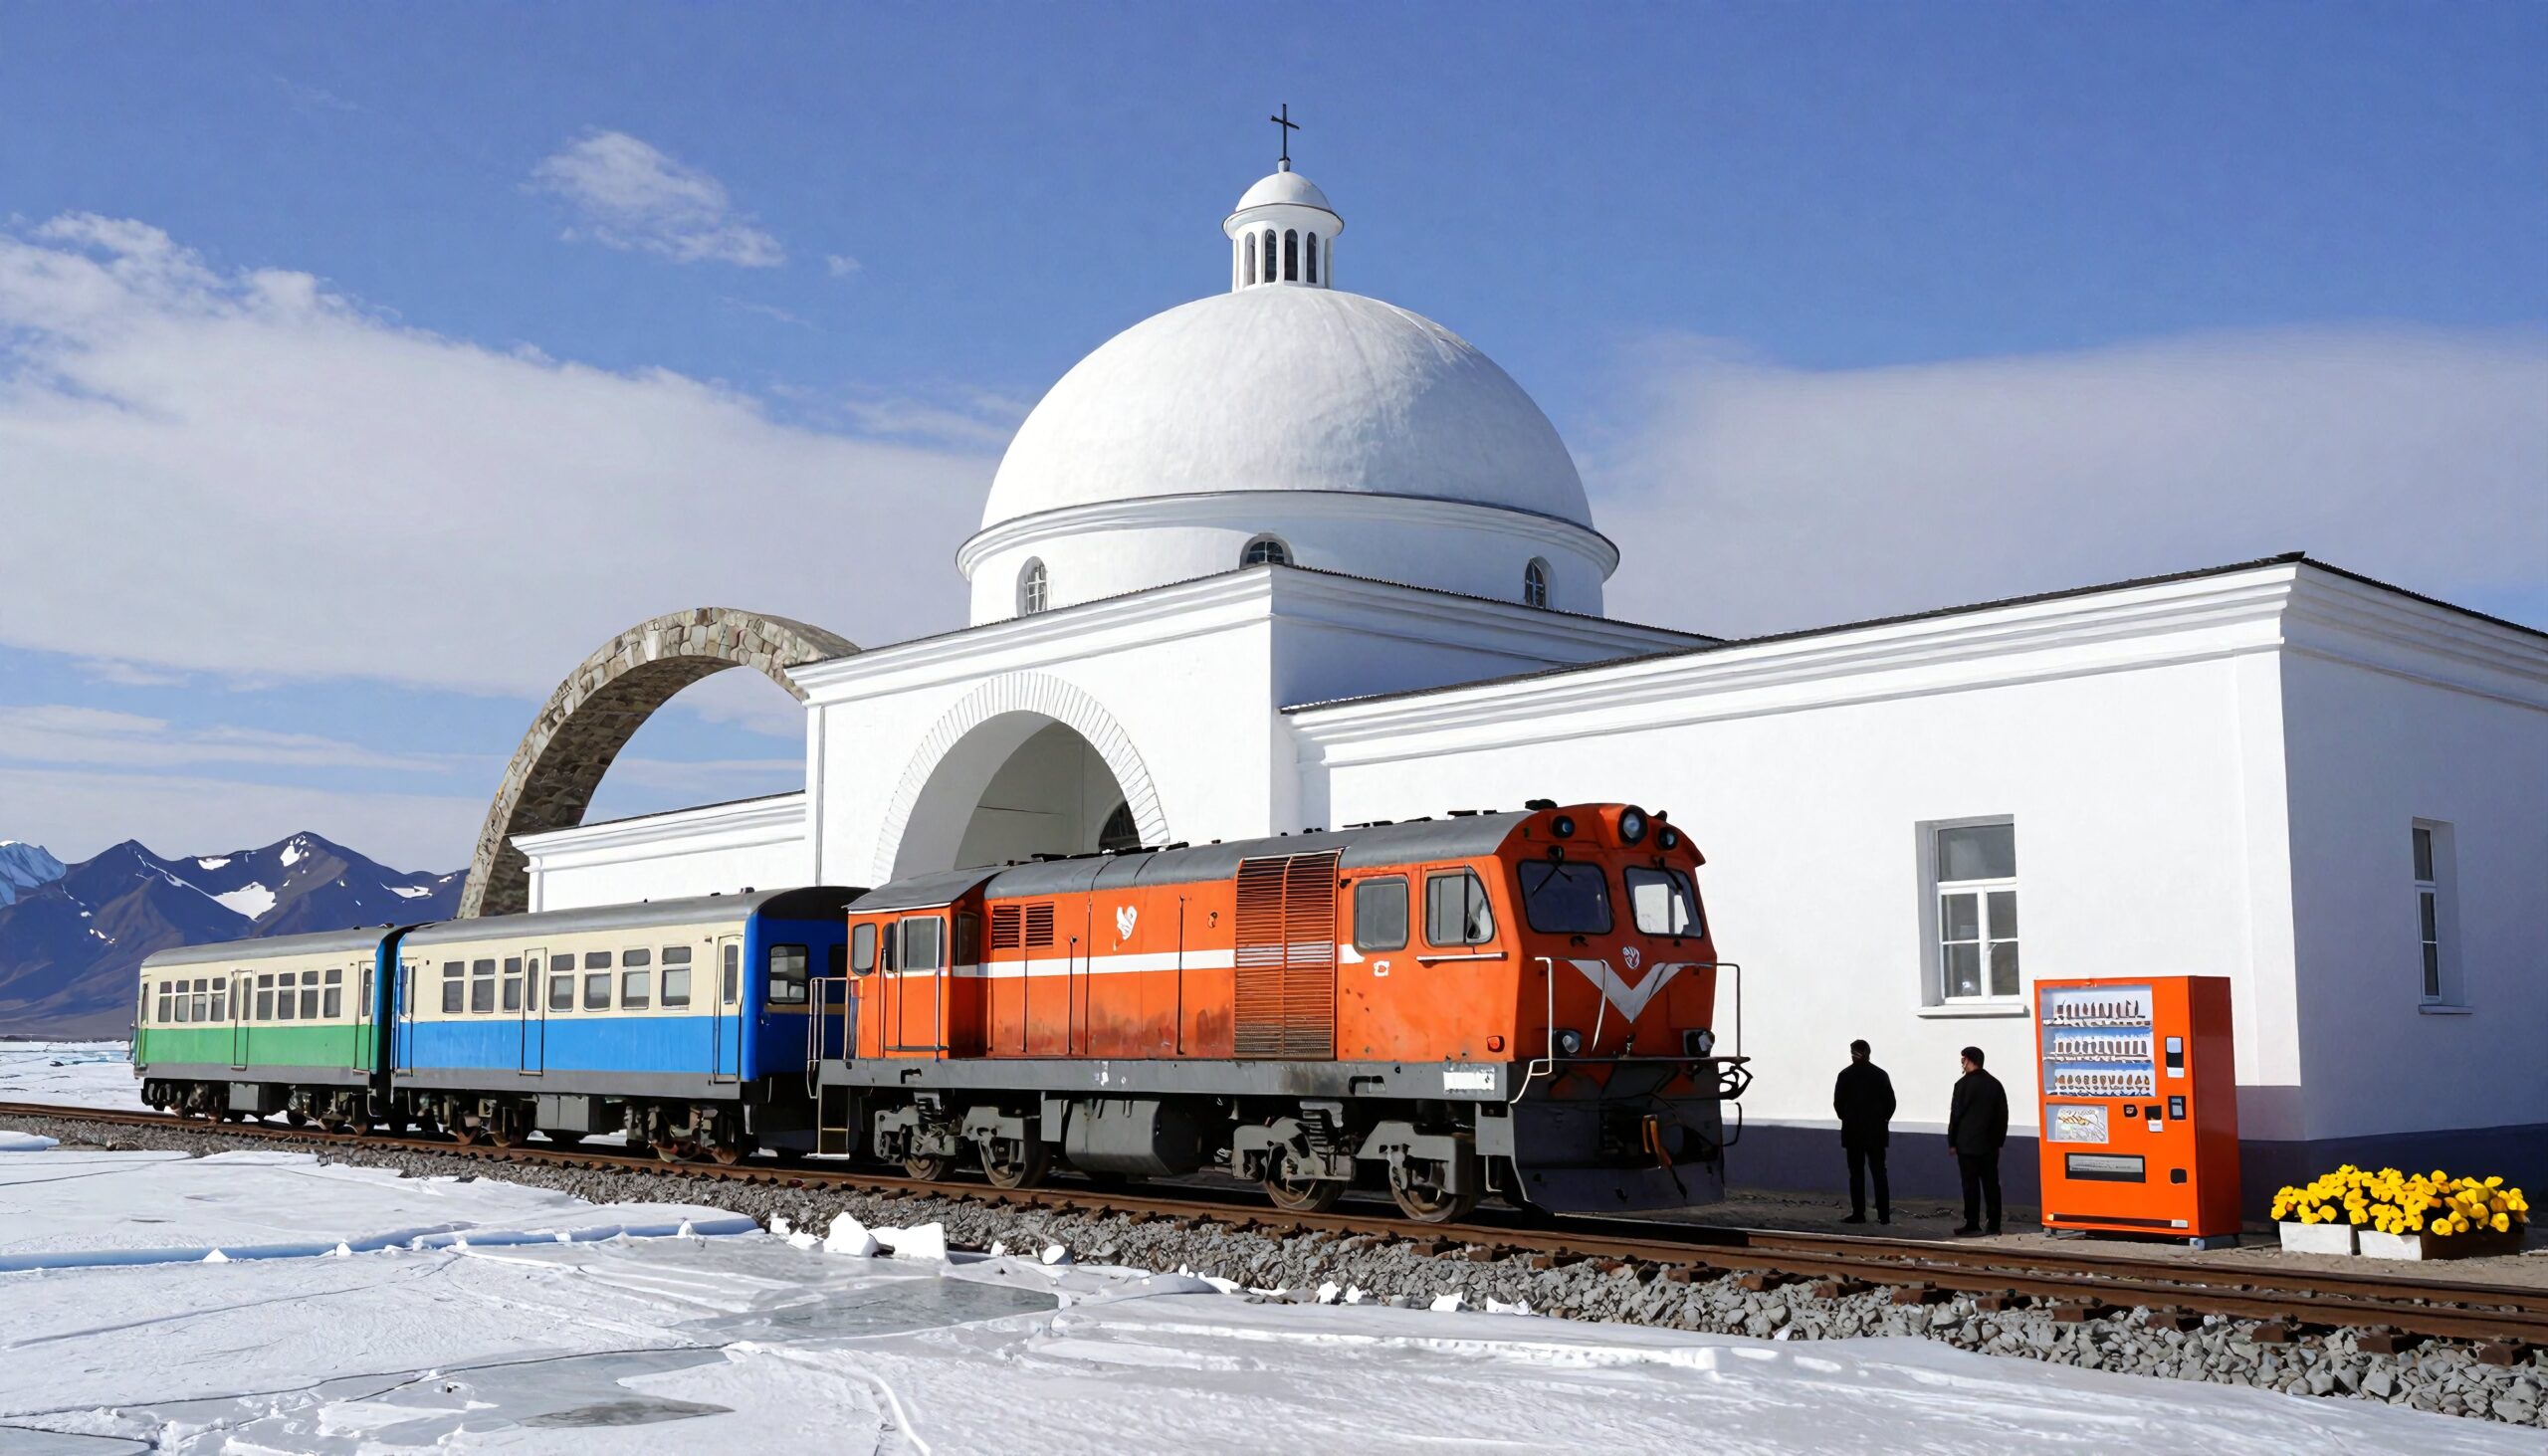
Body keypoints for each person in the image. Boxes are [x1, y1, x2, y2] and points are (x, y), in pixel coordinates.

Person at [1947, 1045, 2010, 1236]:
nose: (1961, 1064)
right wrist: (1999, 1141)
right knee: (1991, 1185)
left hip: (1966, 1144)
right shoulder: (1995, 1084)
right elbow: (2002, 1115)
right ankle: (1994, 1224)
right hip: (1989, 1145)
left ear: (1967, 1060)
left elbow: (1955, 1115)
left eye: (1962, 1060)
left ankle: (1972, 1223)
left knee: (1970, 1185)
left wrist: (1952, 1142)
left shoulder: (1961, 1085)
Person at [1831, 1039, 1895, 1224]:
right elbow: (1890, 1103)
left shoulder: (1845, 1075)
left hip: (1853, 1133)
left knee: (1856, 1174)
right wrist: (1882, 1120)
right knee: (1879, 1173)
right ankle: (1884, 1215)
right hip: (1876, 1133)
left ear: (1853, 1053)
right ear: (1869, 1052)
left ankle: (1859, 1213)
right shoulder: (1880, 1075)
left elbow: (1838, 1104)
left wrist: (1848, 1118)